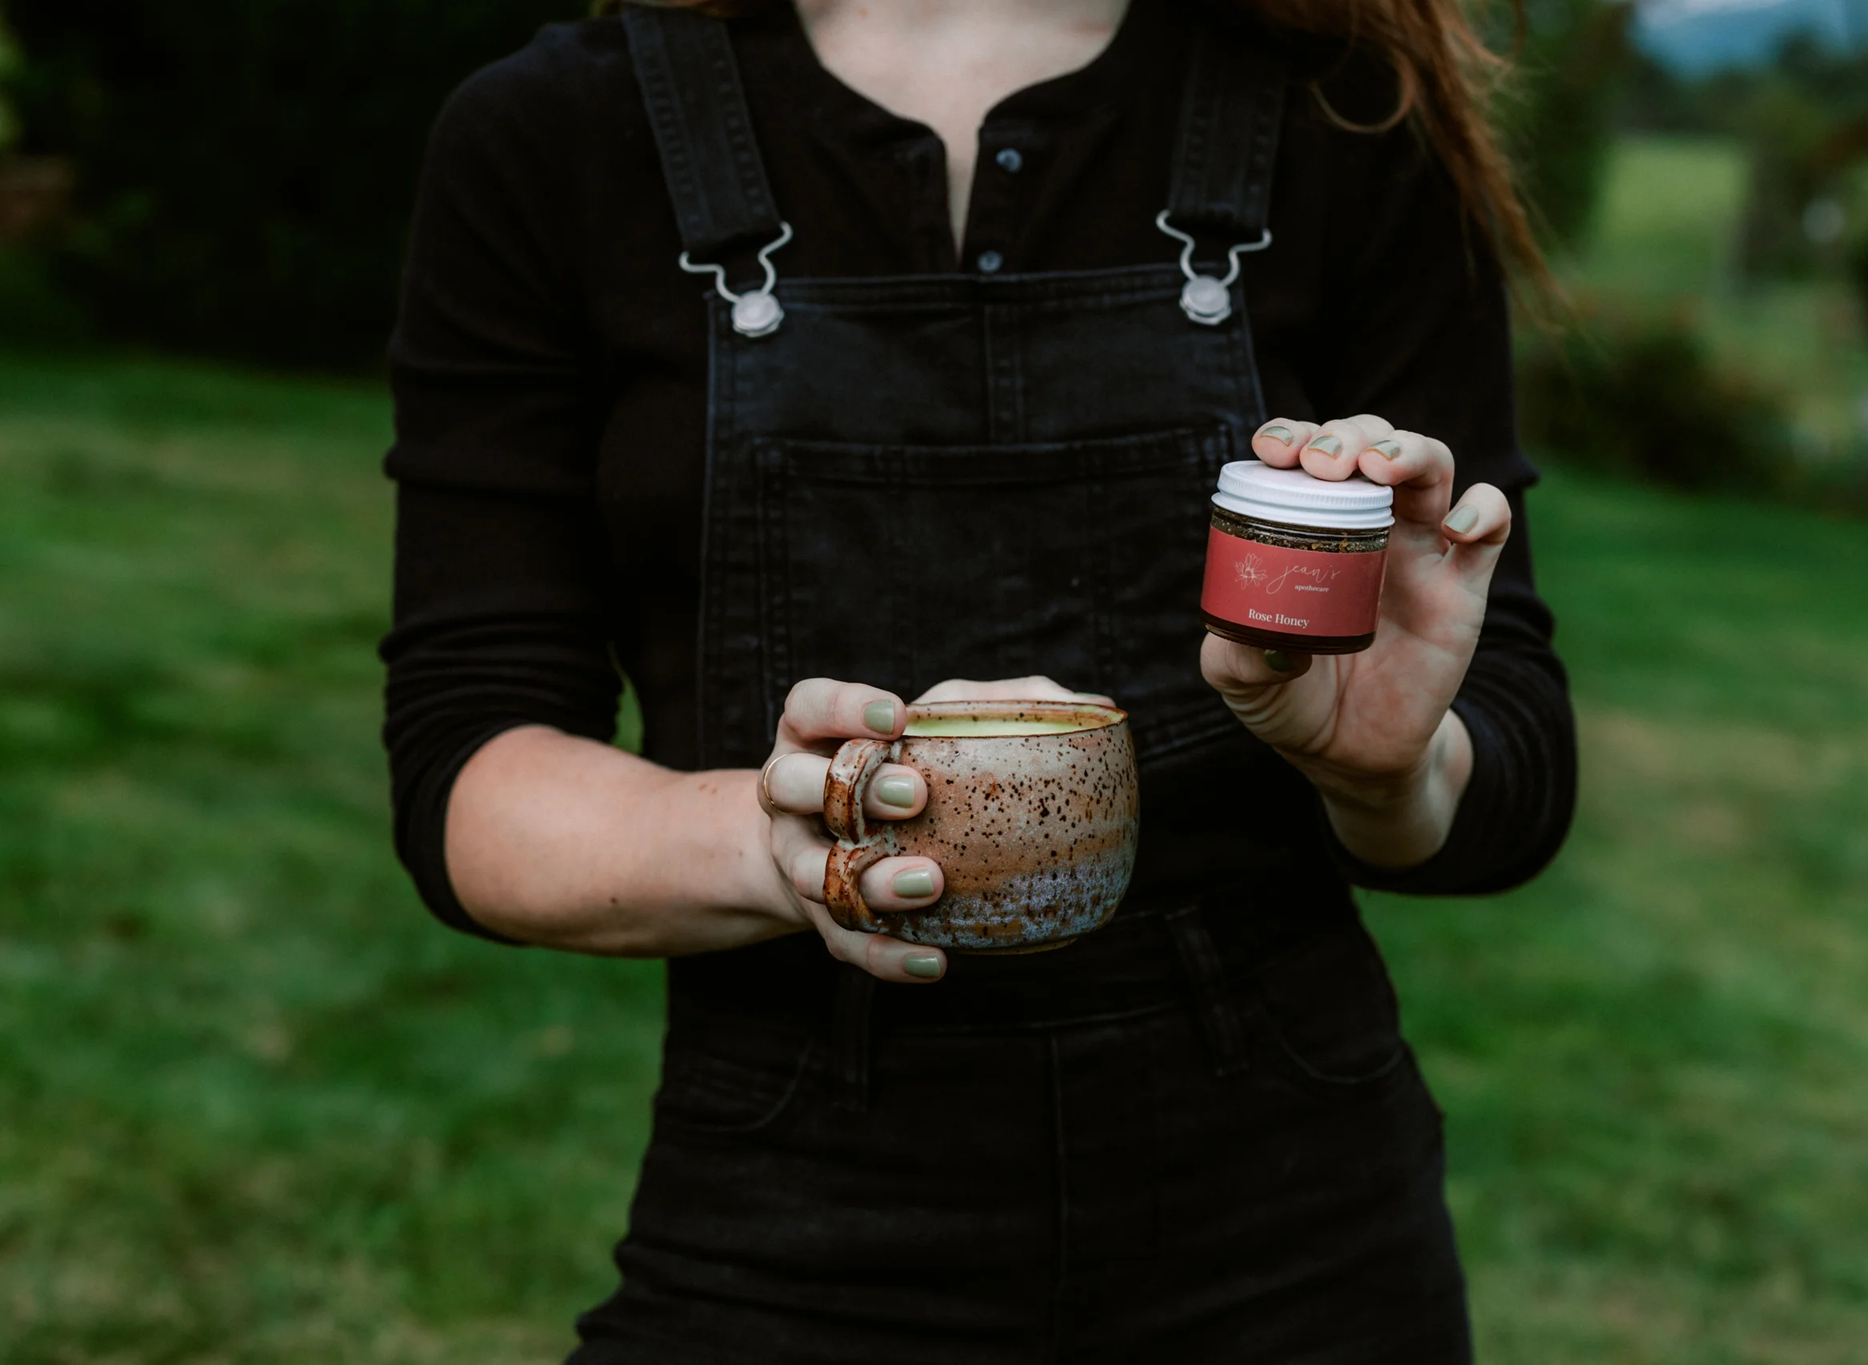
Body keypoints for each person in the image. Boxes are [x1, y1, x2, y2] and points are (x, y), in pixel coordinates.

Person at [381, 0, 1576, 1357]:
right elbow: (467, 762)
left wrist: (1389, 769)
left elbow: (1514, 750)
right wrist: (791, 839)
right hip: (791, 1206)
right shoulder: (555, 131)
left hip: (1296, 1222)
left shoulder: (1347, 109)